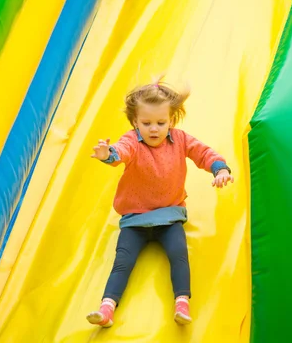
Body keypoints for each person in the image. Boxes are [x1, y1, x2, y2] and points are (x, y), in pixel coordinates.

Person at [86, 77, 234, 327]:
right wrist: (107, 155)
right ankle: (107, 308)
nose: (154, 129)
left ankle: (182, 302)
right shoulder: (132, 140)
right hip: (135, 219)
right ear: (135, 123)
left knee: (179, 255)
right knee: (122, 261)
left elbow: (203, 153)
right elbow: (120, 152)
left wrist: (220, 169)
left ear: (171, 121)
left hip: (170, 216)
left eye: (160, 123)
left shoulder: (180, 139)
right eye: (146, 123)